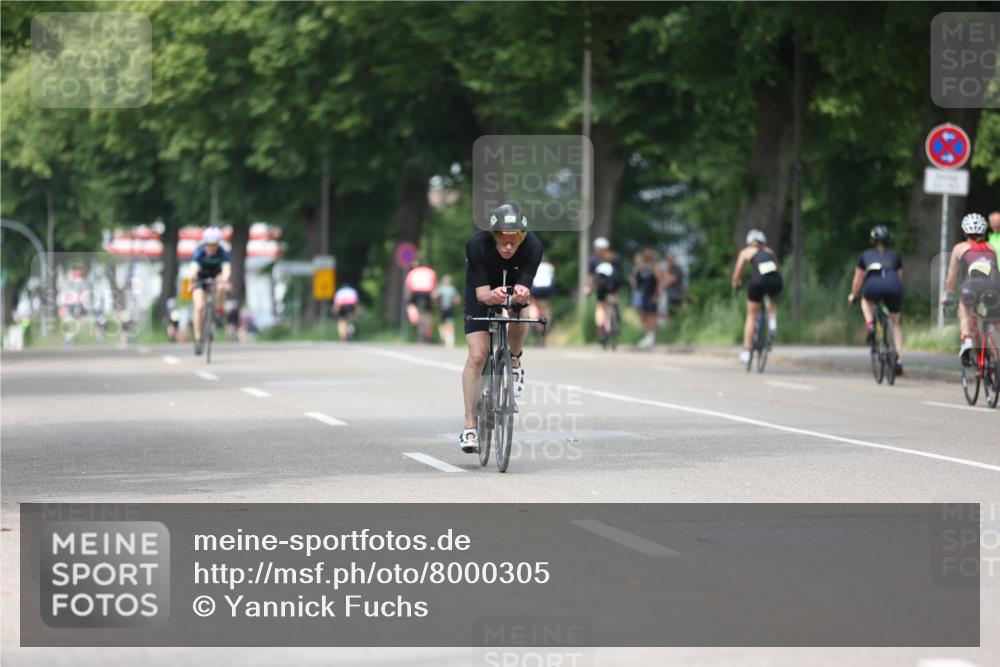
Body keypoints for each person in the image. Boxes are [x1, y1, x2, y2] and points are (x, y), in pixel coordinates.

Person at [459, 203, 543, 453]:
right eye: (503, 239)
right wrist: (492, 296)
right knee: (477, 355)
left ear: (523, 236)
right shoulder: (477, 245)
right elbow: (483, 296)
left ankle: (514, 361)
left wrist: (519, 294)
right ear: (493, 235)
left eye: (514, 239)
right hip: (482, 289)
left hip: (513, 284)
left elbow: (525, 287)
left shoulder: (533, 247)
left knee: (521, 308)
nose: (508, 246)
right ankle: (470, 425)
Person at [941, 213, 1000, 362]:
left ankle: (967, 339)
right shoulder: (991, 247)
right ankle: (996, 358)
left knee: (964, 306)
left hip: (972, 286)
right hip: (995, 286)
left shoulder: (960, 247)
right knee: (994, 321)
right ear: (984, 231)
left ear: (965, 232)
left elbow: (951, 277)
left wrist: (947, 293)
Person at [848, 225, 905, 374]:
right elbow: (900, 279)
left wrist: (854, 295)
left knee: (866, 301)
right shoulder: (895, 255)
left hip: (873, 285)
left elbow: (857, 280)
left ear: (873, 240)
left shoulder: (865, 255)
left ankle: (870, 325)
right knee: (895, 323)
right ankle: (899, 359)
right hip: (893, 285)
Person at [731, 229, 782, 365]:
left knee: (752, 315)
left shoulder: (746, 252)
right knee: (772, 299)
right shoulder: (770, 251)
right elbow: (776, 268)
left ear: (749, 242)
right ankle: (772, 323)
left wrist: (736, 283)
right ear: (763, 242)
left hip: (758, 282)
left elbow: (737, 273)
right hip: (775, 281)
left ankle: (747, 352)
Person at [189, 226, 231, 355]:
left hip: (216, 277)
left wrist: (225, 280)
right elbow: (193, 268)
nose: (212, 247)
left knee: (222, 286)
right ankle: (198, 338)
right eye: (209, 244)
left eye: (214, 245)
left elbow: (226, 269)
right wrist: (193, 279)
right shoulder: (199, 252)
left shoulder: (223, 252)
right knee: (199, 307)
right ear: (206, 243)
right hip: (201, 278)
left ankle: (218, 308)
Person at [585, 237, 623, 344]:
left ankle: (601, 329)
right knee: (614, 298)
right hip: (614, 283)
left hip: (601, 284)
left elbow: (590, 276)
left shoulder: (593, 259)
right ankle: (615, 315)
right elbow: (618, 272)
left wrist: (588, 287)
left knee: (600, 306)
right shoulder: (614, 257)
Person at [632, 247, 663, 348]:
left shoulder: (655, 267)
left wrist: (657, 294)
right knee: (643, 315)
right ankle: (647, 335)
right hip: (643, 294)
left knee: (651, 315)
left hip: (652, 294)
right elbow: (636, 282)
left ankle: (651, 336)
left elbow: (659, 281)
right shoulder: (642, 268)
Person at [405, 261, 437, 342]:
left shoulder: (412, 272)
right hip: (427, 293)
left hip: (415, 292)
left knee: (410, 306)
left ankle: (415, 319)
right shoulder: (430, 271)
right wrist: (433, 296)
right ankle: (428, 330)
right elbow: (434, 285)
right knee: (428, 312)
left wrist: (408, 297)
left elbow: (408, 286)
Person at [528, 256, 555, 340]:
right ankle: (547, 323)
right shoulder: (550, 266)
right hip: (548, 288)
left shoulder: (533, 265)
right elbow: (553, 279)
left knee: (534, 304)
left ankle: (534, 321)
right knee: (546, 305)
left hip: (536, 288)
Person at [433, 275, 460, 348]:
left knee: (443, 324)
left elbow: (434, 296)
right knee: (450, 323)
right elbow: (457, 300)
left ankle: (444, 337)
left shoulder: (441, 288)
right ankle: (450, 339)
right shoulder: (452, 289)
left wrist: (436, 300)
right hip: (450, 308)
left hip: (443, 308)